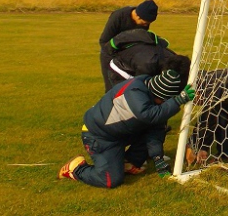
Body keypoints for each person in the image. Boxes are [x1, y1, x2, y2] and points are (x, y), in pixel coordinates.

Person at [58, 69, 195, 188]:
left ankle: (128, 162)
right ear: (157, 95)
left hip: (121, 133)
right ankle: (76, 169)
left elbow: (155, 130)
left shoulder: (152, 99)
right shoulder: (134, 93)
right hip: (99, 136)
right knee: (111, 180)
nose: (166, 103)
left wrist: (158, 159)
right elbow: (148, 115)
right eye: (165, 100)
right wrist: (177, 101)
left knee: (155, 128)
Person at [103, 28, 190, 90]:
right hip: (120, 69)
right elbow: (141, 85)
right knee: (134, 99)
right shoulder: (148, 64)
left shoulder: (173, 58)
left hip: (140, 59)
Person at [98, 0, 158, 91]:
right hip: (109, 54)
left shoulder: (144, 21)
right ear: (138, 16)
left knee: (129, 89)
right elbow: (104, 41)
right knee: (112, 89)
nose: (146, 25)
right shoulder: (118, 17)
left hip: (128, 56)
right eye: (145, 22)